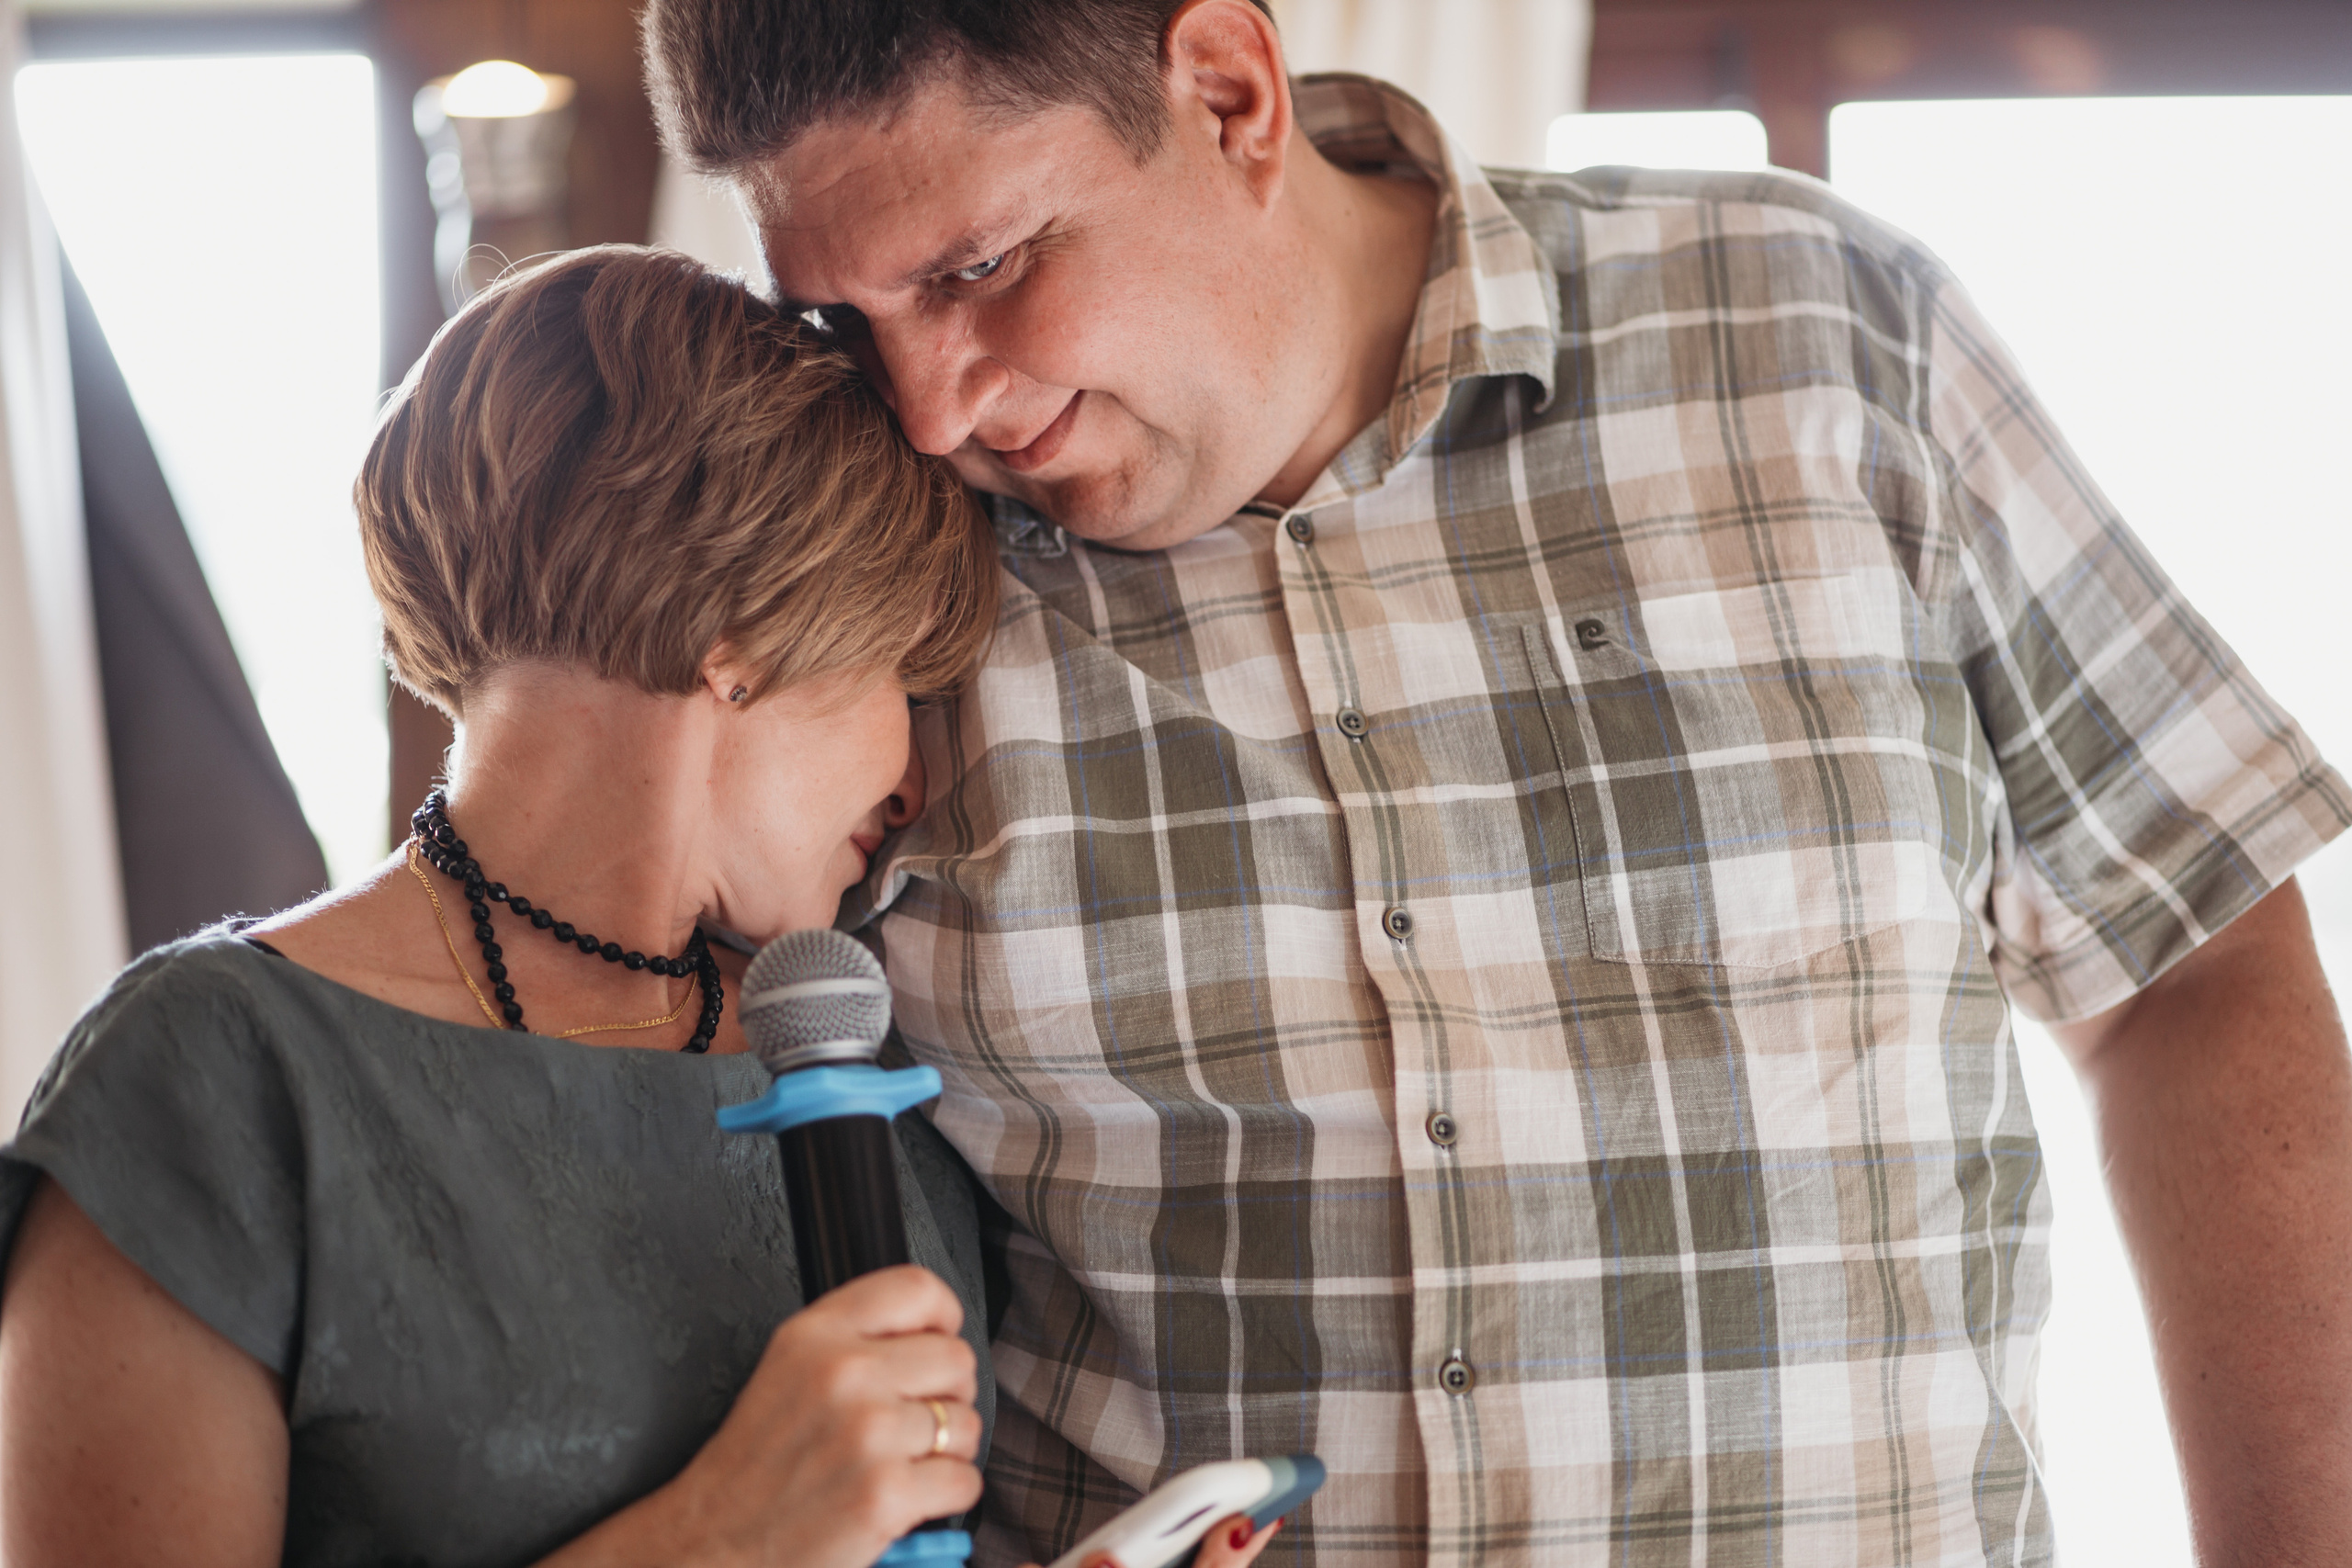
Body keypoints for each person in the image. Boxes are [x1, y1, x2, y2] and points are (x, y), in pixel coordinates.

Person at [641, 3, 2352, 1565]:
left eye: (982, 266)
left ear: (1227, 94)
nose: (930, 410)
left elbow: (2191, 972)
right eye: (843, 312)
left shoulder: (1827, 338)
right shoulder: (868, 561)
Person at [0, 247, 1281, 1568]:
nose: (916, 788)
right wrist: (723, 1537)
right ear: (740, 643)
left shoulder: (867, 1060)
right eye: (901, 677)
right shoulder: (207, 1082)